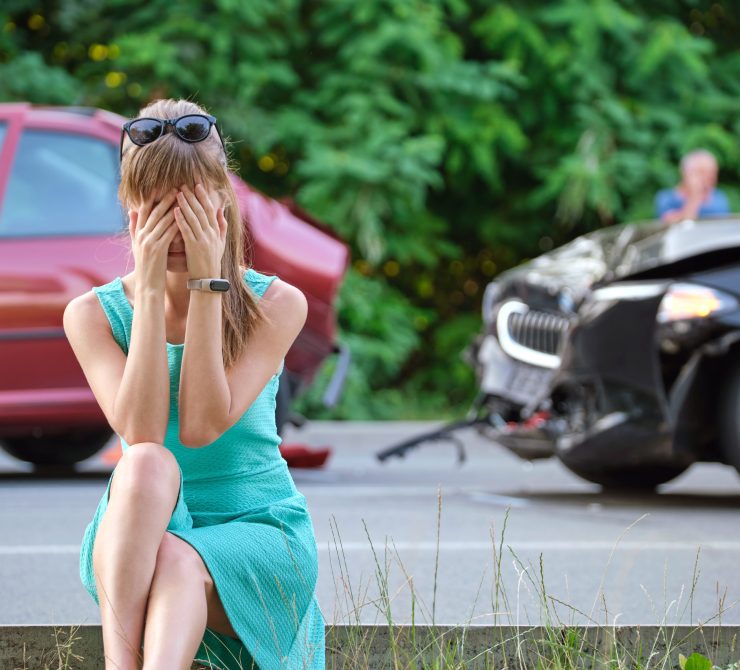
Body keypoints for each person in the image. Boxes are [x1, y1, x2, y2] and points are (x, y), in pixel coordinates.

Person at [63, 98, 325, 670]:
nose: (176, 226)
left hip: (258, 531)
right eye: (158, 206)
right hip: (136, 537)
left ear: (222, 206)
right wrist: (152, 295)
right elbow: (142, 430)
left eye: (189, 205)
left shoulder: (277, 304)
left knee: (183, 559)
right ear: (130, 210)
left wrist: (208, 288)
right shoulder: (92, 315)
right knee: (145, 463)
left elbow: (204, 426)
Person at [655, 148, 730, 223]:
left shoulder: (719, 198)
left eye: (713, 173)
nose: (710, 179)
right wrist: (695, 196)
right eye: (702, 173)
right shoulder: (666, 198)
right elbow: (673, 227)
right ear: (685, 173)